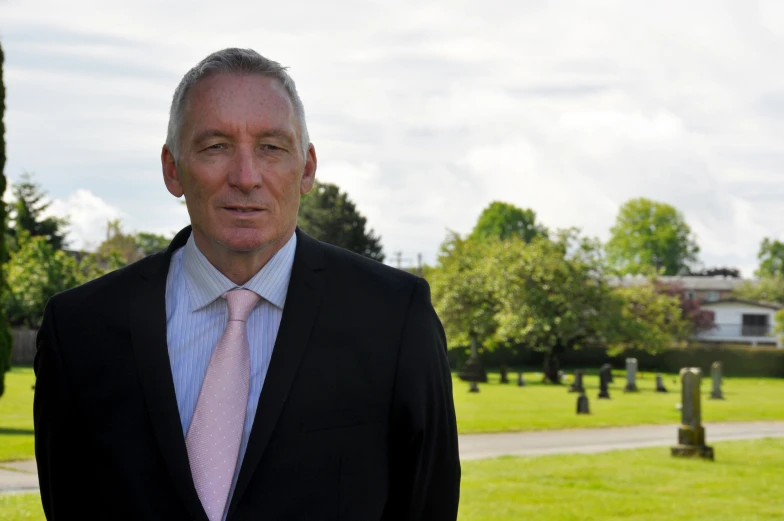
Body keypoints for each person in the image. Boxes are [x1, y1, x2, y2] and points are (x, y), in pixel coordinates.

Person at [33, 48, 461, 520]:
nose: (245, 177)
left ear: (307, 168)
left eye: (271, 147)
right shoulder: (79, 330)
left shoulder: (394, 318)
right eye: (215, 146)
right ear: (172, 169)